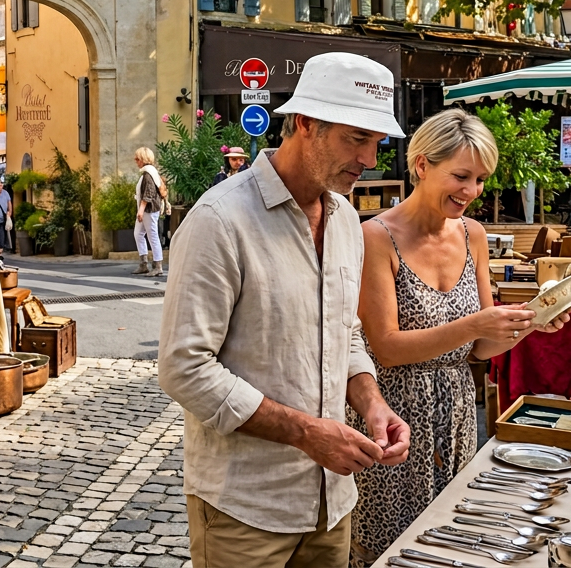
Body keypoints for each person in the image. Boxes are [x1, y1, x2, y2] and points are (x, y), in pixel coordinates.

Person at [160, 52, 411, 568]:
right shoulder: (219, 220)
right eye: (354, 138)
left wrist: (372, 404)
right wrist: (306, 433)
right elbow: (184, 368)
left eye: (377, 142)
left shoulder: (344, 220)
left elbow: (346, 334)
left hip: (332, 503)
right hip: (246, 507)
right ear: (304, 124)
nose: (368, 157)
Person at [350, 109, 571, 564]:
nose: (471, 192)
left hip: (457, 412)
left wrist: (529, 321)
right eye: (461, 176)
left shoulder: (473, 233)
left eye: (481, 179)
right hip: (394, 418)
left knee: (454, 545)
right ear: (422, 166)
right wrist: (474, 324)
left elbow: (479, 348)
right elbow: (387, 349)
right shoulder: (375, 236)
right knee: (387, 549)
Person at [133, 147, 166, 277]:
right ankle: (144, 263)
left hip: (149, 210)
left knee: (152, 236)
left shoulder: (148, 174)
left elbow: (149, 194)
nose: (136, 161)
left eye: (137, 159)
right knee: (138, 234)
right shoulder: (149, 172)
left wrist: (141, 210)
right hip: (147, 209)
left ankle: (157, 265)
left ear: (143, 159)